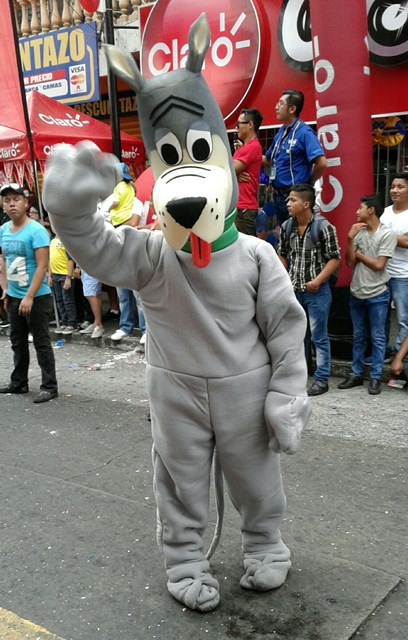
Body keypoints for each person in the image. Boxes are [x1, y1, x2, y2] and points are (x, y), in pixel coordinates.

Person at [43, 16, 311, 612]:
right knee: (179, 482)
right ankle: (185, 560)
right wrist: (69, 208)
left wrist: (287, 394)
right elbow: (96, 247)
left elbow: (287, 330)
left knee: (256, 479)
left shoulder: (255, 254)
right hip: (175, 390)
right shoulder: (150, 253)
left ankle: (266, 543)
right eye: (172, 159)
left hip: (246, 387)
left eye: (196, 154)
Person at [277, 183, 340, 396]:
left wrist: (318, 280)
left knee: (318, 337)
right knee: (297, 336)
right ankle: (302, 375)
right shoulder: (287, 226)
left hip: (317, 293)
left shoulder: (323, 227)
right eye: (288, 200)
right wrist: (284, 277)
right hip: (294, 290)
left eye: (292, 200)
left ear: (306, 204)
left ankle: (322, 379)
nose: (288, 203)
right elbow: (282, 254)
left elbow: (335, 259)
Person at [0, 183, 58, 403]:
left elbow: (42, 266)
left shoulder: (36, 230)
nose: (12, 204)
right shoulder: (3, 230)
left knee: (41, 341)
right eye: (7, 200)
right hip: (14, 296)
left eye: (16, 199)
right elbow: (4, 260)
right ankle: (19, 383)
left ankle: (49, 386)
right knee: (17, 341)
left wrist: (29, 296)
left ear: (26, 203)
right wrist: (6, 289)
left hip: (37, 296)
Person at [338, 195, 396, 395]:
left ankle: (375, 377)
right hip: (357, 291)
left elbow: (380, 265)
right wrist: (349, 238)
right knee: (358, 335)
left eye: (360, 208)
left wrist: (360, 254)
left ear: (371, 210)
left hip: (378, 293)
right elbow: (348, 261)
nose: (356, 211)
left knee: (378, 337)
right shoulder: (358, 233)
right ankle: (356, 374)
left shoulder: (387, 234)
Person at [263, 89, 327, 226]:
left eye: (280, 103)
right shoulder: (280, 133)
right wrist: (246, 155)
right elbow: (268, 160)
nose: (276, 107)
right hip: (279, 196)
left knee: (298, 235)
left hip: (296, 195)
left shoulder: (304, 132)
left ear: (292, 109)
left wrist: (307, 183)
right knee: (285, 236)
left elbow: (321, 162)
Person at [380, 173, 408, 355]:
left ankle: (400, 354)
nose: (394, 190)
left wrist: (385, 236)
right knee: (381, 317)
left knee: (403, 318)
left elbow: (407, 243)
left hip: (403, 275)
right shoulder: (386, 211)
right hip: (382, 273)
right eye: (392, 187)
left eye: (400, 187)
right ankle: (383, 352)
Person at [232, 108, 263, 235]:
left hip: (244, 208)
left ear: (250, 125)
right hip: (239, 207)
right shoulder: (244, 148)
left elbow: (228, 171)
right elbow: (231, 172)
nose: (236, 128)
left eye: (239, 124)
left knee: (243, 250)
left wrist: (233, 174)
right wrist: (235, 175)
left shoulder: (251, 148)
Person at [49, 234, 78, 335]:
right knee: (59, 300)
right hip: (55, 274)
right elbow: (49, 259)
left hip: (65, 274)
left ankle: (72, 323)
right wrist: (49, 275)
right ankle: (64, 322)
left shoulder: (65, 240)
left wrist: (69, 277)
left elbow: (71, 260)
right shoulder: (52, 241)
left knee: (67, 300)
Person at [78, 270, 105, 339]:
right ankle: (96, 322)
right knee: (95, 294)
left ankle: (98, 324)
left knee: (91, 295)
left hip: (89, 267)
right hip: (87, 268)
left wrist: (78, 267)